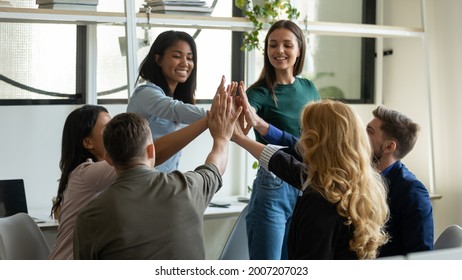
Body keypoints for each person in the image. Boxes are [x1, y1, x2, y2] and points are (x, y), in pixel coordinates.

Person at [49, 87, 219, 260]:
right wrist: (206, 121)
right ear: (88, 142)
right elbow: (147, 156)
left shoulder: (95, 178)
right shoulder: (86, 173)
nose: (113, 131)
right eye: (106, 128)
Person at [232, 99, 389, 259]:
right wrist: (241, 138)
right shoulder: (358, 183)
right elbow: (289, 167)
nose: (301, 141)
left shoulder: (319, 200)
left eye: (304, 132)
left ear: (316, 142)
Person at [243, 19, 320, 260]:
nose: (279, 51)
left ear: (299, 50)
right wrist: (246, 116)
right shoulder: (258, 93)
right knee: (268, 266)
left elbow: (317, 138)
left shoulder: (308, 87)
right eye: (273, 45)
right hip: (275, 184)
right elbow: (245, 119)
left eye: (287, 45)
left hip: (308, 183)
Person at [127, 30, 206, 173]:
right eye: (177, 56)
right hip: (141, 183)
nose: (185, 63)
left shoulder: (174, 98)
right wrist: (220, 112)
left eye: (190, 58)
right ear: (158, 60)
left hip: (164, 182)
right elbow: (174, 109)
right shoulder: (145, 93)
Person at [366, 106, 434, 257]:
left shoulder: (413, 192)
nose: (360, 137)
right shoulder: (363, 178)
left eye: (369, 132)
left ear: (389, 146)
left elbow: (421, 259)